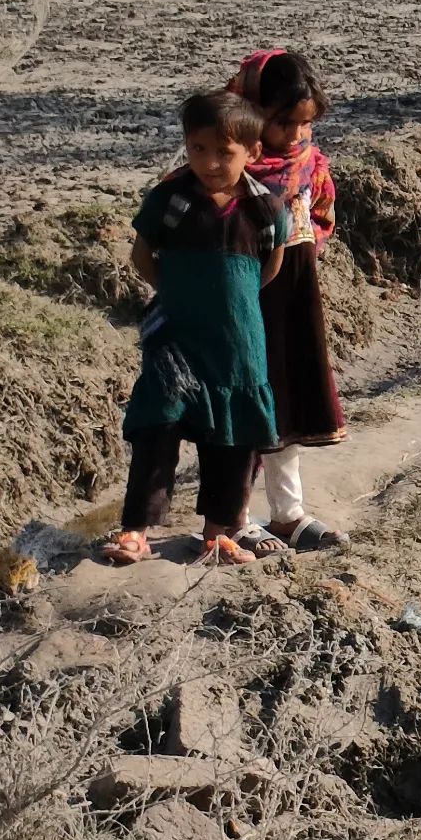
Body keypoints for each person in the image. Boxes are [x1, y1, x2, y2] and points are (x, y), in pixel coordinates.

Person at [101, 90, 287, 566]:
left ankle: (216, 534)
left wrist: (229, 301)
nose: (209, 163)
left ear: (252, 153)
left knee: (232, 437)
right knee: (157, 428)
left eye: (224, 152)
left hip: (238, 345)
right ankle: (135, 531)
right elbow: (142, 258)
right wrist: (183, 295)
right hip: (176, 341)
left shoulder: (265, 210)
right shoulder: (171, 199)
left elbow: (270, 267)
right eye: (198, 149)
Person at [227, 49, 349, 554]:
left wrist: (300, 245)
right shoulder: (226, 166)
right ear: (253, 112)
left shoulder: (307, 164)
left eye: (305, 125)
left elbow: (322, 212)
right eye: (283, 124)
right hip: (240, 300)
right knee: (244, 402)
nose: (296, 136)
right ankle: (230, 518)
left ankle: (287, 513)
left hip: (294, 295)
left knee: (286, 399)